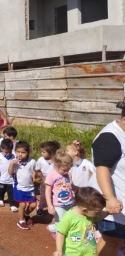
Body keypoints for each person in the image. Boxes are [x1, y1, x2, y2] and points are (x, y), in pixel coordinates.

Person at [87, 101, 125, 255]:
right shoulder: (109, 138)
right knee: (113, 240)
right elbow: (102, 169)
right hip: (116, 202)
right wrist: (109, 198)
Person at [53, 187, 108, 256]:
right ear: (85, 210)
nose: (99, 213)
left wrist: (108, 212)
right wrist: (59, 249)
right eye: (97, 212)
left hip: (90, 252)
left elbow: (98, 217)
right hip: (73, 253)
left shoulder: (88, 214)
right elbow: (61, 233)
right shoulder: (69, 217)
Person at [9, 141, 38, 230]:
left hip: (30, 188)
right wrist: (11, 164)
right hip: (19, 187)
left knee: (33, 205)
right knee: (22, 204)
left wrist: (34, 176)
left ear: (28, 152)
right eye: (18, 152)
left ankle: (26, 214)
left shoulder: (32, 161)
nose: (20, 154)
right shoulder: (14, 162)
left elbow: (34, 170)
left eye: (23, 152)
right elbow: (10, 173)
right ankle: (21, 221)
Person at [45, 150, 75, 237]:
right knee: (62, 224)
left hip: (70, 203)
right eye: (64, 170)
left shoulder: (67, 174)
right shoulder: (51, 175)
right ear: (56, 165)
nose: (66, 172)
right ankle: (60, 240)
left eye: (68, 170)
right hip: (58, 204)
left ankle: (53, 228)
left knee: (69, 220)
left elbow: (70, 187)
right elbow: (47, 190)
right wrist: (50, 205)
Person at [35, 141, 61, 217]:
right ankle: (40, 207)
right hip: (45, 181)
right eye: (42, 152)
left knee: (55, 195)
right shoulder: (41, 160)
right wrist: (43, 178)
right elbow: (37, 170)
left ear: (51, 153)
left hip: (56, 181)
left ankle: (54, 208)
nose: (41, 153)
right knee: (44, 196)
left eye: (43, 152)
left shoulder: (57, 160)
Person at [0, 139, 18, 212]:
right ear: (2, 149)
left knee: (11, 193)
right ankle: (1, 199)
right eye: (6, 152)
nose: (8, 154)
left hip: (11, 180)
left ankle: (12, 205)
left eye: (9, 152)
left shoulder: (14, 156)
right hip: (1, 180)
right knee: (1, 191)